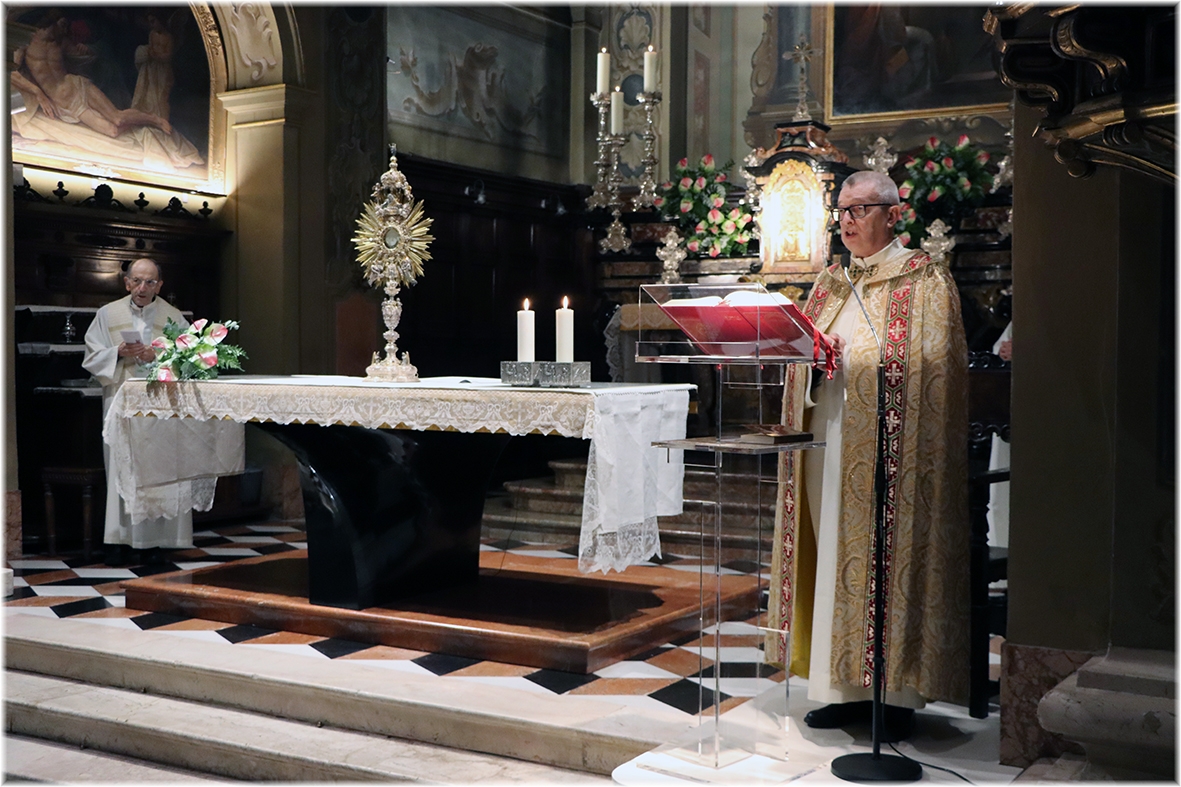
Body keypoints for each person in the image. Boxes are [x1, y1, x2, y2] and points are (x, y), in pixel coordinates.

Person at [765, 170, 969, 741]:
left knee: (884, 560)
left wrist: (856, 360)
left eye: (858, 210)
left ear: (892, 215)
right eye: (841, 211)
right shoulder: (830, 283)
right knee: (830, 555)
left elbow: (933, 371)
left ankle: (893, 694)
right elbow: (799, 353)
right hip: (825, 440)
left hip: (889, 453)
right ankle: (837, 689)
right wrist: (814, 358)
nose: (847, 222)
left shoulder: (924, 279)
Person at [82, 259, 190, 566]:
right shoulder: (108, 314)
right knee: (120, 467)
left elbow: (190, 360)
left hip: (159, 406)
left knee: (156, 472)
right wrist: (117, 352)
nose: (143, 288)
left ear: (160, 285)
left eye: (150, 282)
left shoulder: (173, 317)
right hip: (121, 402)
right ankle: (118, 541)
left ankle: (153, 543)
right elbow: (91, 356)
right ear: (127, 282)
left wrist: (158, 355)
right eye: (137, 281)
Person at [10, 11, 173, 139]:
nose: (64, 30)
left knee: (117, 117)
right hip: (67, 104)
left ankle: (154, 120)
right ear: (45, 25)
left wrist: (86, 49)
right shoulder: (25, 42)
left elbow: (85, 56)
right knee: (112, 131)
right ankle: (141, 122)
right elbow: (11, 72)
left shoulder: (60, 43)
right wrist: (38, 93)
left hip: (78, 85)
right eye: (61, 25)